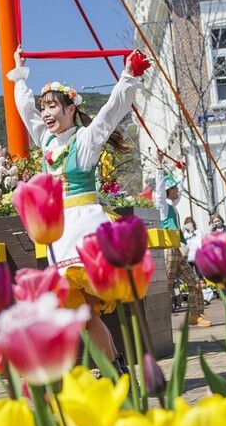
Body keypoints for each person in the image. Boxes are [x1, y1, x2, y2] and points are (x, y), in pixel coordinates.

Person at [9, 47, 152, 361]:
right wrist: (20, 74)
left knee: (85, 312)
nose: (45, 114)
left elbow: (109, 114)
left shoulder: (84, 140)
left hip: (85, 229)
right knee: (84, 315)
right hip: (59, 234)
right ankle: (116, 368)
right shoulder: (46, 141)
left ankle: (114, 369)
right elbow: (25, 110)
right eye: (43, 107)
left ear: (70, 108)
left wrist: (127, 75)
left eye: (53, 107)